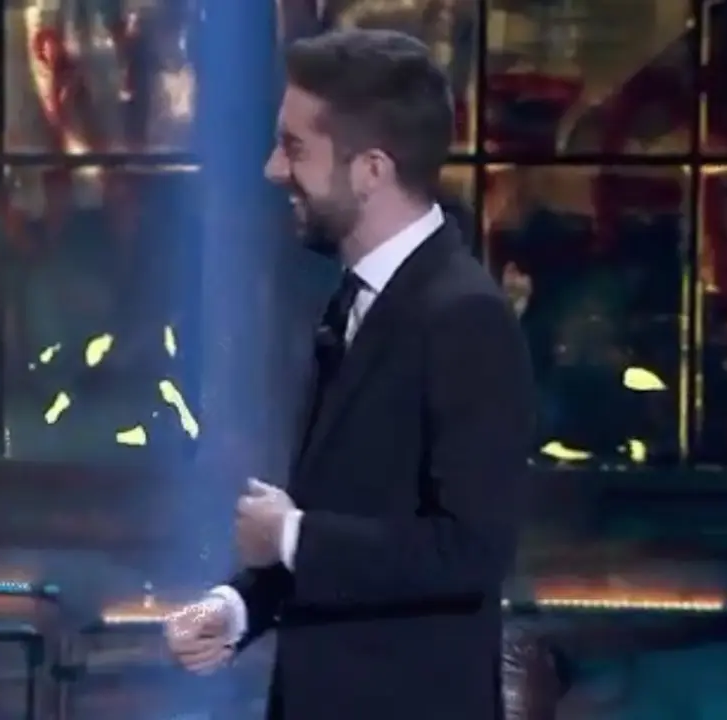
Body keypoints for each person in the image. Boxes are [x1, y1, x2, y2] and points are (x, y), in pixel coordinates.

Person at [163, 28, 536, 719]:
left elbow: (472, 549)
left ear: (371, 169)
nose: (274, 170)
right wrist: (239, 606)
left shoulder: (465, 317)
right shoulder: (353, 302)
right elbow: (348, 523)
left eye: (295, 148)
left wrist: (292, 536)